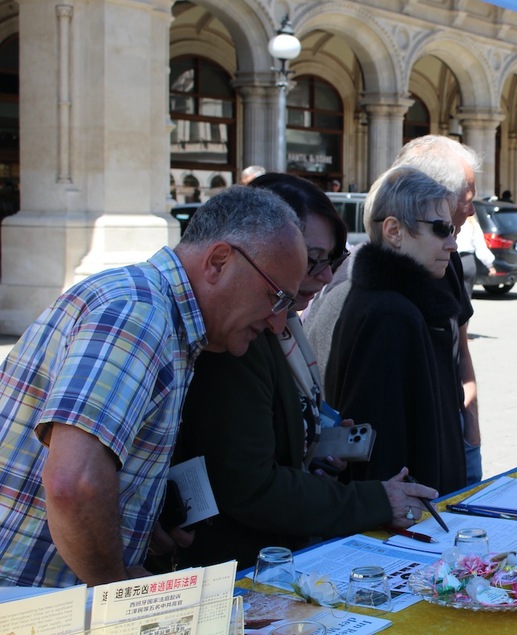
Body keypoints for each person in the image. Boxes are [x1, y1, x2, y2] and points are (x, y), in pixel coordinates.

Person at [0, 187, 307, 587]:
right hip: (25, 604)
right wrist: (118, 596)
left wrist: (136, 517)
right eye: (277, 297)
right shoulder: (139, 314)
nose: (277, 323)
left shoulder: (160, 316)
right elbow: (74, 484)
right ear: (218, 262)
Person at [171, 174, 437, 570]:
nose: (325, 275)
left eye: (333, 259)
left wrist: (315, 444)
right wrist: (375, 501)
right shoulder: (235, 334)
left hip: (270, 552)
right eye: (313, 259)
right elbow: (249, 485)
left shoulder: (281, 326)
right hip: (237, 563)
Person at [306, 135, 486, 485]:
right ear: (394, 231)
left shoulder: (396, 298)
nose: (452, 243)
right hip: (410, 518)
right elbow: (379, 440)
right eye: (440, 229)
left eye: (451, 230)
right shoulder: (388, 311)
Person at [456, 212, 496, 299]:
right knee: (466, 297)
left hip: (454, 260)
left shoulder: (452, 221)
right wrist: (490, 265)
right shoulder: (472, 224)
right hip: (468, 262)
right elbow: (480, 246)